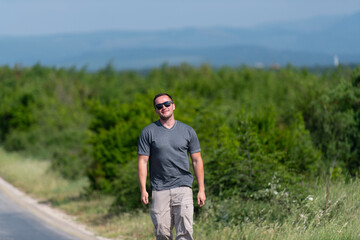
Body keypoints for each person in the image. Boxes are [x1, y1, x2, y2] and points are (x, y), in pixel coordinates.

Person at [137, 93, 206, 240]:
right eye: (159, 106)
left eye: (167, 104)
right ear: (156, 110)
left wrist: (201, 189)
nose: (164, 107)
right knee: (162, 232)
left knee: (185, 232)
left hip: (183, 187)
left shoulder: (187, 131)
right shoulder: (148, 132)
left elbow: (197, 161)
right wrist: (143, 189)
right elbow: (142, 162)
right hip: (159, 188)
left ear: (173, 106)